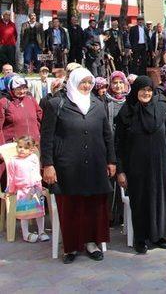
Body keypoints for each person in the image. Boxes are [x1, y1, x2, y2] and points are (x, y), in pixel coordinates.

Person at [40, 68, 115, 263]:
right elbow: (46, 138)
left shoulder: (98, 105)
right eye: (84, 82)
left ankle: (91, 243)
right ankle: (71, 247)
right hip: (67, 167)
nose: (87, 86)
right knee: (71, 207)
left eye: (90, 82)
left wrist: (111, 160)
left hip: (95, 165)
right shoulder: (57, 104)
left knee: (93, 206)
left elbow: (107, 135)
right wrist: (48, 164)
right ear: (74, 81)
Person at [115, 76, 166, 254]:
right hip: (136, 167)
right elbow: (118, 144)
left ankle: (159, 236)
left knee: (160, 199)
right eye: (142, 89)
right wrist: (120, 171)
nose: (146, 93)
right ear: (135, 91)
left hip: (161, 164)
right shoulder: (125, 113)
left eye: (149, 90)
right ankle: (141, 238)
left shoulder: (160, 109)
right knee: (141, 201)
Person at [5, 136, 49, 243]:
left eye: (25, 148)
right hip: (22, 190)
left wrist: (39, 185)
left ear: (31, 149)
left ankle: (41, 231)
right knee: (24, 213)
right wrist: (11, 190)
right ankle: (25, 233)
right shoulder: (13, 161)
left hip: (35, 189)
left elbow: (37, 173)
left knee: (39, 211)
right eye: (19, 147)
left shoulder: (33, 158)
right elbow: (11, 177)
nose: (21, 149)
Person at [0, 76, 43, 144]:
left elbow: (40, 118)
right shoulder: (4, 102)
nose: (22, 91)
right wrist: (2, 147)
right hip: (15, 146)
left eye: (24, 88)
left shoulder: (31, 99)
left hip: (33, 144)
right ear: (11, 89)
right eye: (18, 88)